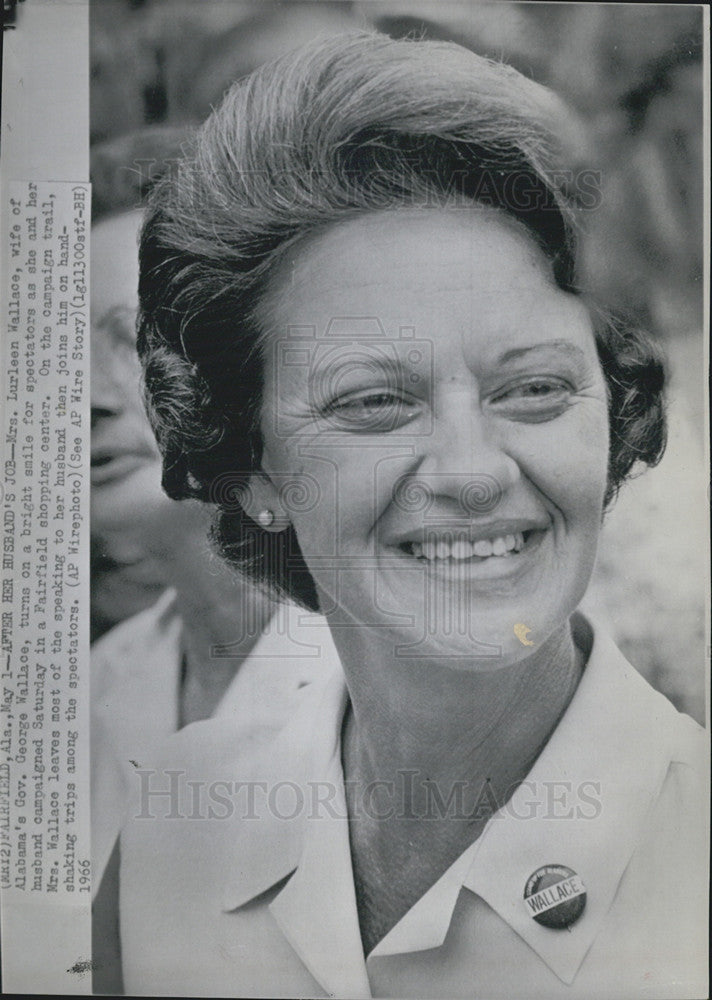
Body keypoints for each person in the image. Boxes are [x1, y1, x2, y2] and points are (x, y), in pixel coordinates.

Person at [111, 33, 707, 998]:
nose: (472, 473)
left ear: (615, 417)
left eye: (536, 389)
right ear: (249, 464)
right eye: (374, 402)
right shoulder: (173, 831)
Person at [90, 203, 340, 986]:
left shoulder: (399, 676)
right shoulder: (88, 688)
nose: (84, 402)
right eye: (51, 359)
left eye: (129, 342)